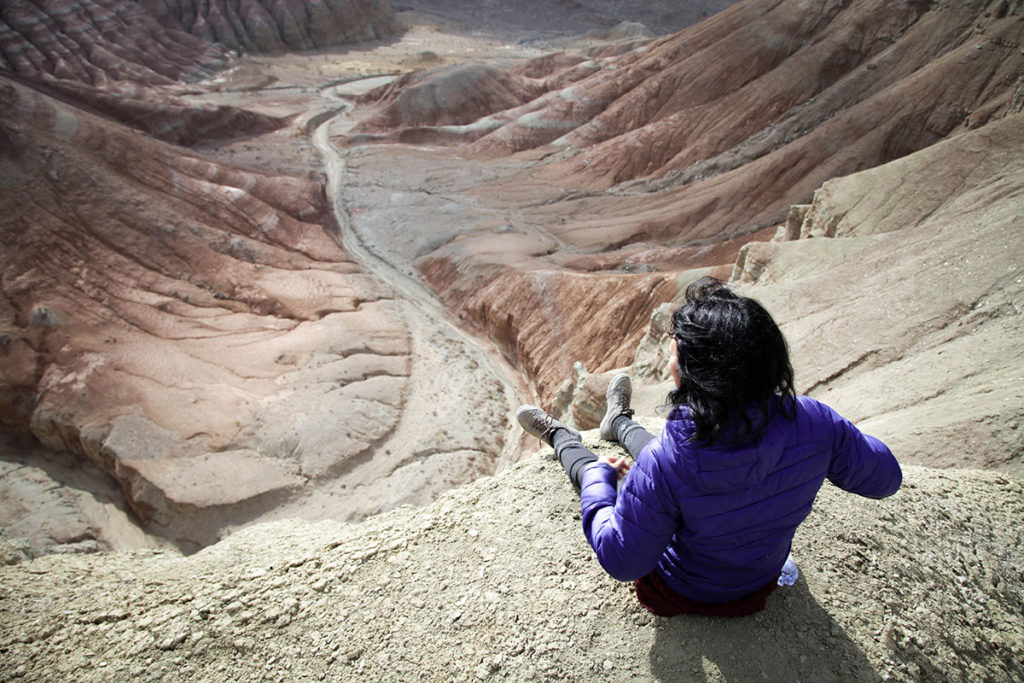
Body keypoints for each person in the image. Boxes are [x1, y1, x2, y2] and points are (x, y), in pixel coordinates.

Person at [516, 277, 901, 617]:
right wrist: (831, 435)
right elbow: (885, 479)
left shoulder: (666, 462)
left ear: (694, 376)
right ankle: (617, 421)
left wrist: (603, 484)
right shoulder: (815, 420)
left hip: (684, 591)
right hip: (759, 578)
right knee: (666, 464)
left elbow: (622, 560)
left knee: (609, 470)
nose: (670, 367)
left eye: (673, 358)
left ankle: (564, 439)